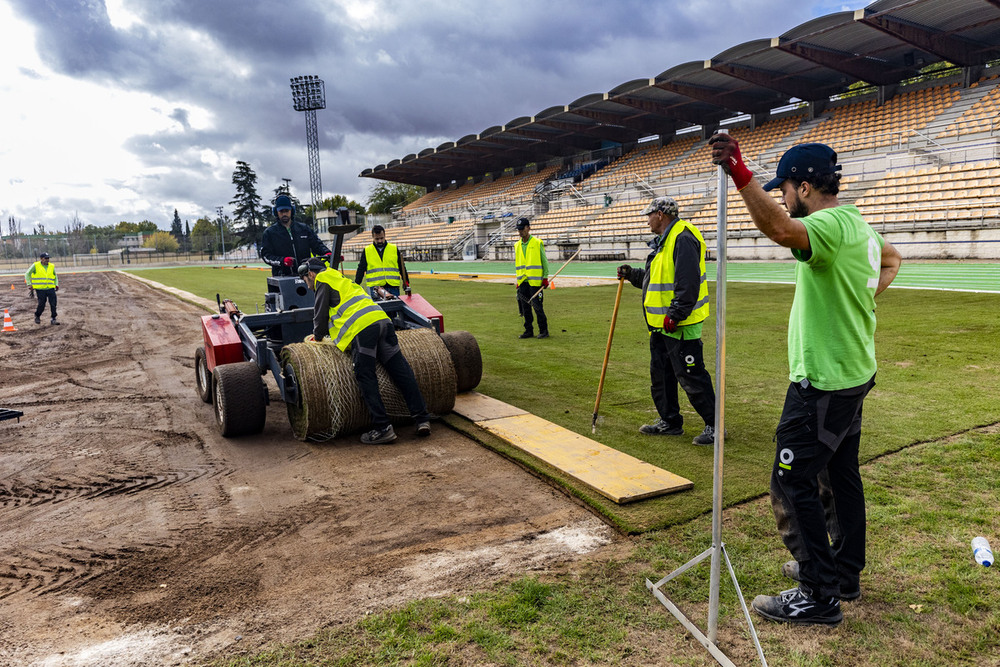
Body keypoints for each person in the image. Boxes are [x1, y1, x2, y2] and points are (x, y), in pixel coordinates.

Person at [710, 135, 901, 626]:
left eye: (787, 187)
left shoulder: (830, 223)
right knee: (840, 476)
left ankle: (818, 592)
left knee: (792, 479)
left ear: (807, 187)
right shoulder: (859, 225)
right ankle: (843, 573)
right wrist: (860, 300)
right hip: (854, 373)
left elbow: (779, 229)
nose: (785, 195)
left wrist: (740, 173)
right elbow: (893, 259)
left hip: (823, 381)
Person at [617, 196, 718, 445]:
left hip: (680, 324)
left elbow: (688, 283)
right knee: (661, 375)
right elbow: (655, 281)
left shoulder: (683, 237)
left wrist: (675, 315)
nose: (647, 220)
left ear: (660, 214)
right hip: (661, 325)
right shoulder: (664, 241)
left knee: (691, 376)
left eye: (649, 215)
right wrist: (632, 275)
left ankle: (716, 425)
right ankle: (670, 421)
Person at [298, 257, 431, 444]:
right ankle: (422, 418)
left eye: (305, 280)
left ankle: (383, 428)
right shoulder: (339, 277)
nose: (307, 284)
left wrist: (317, 337)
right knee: (401, 371)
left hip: (363, 329)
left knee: (365, 376)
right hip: (382, 321)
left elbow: (319, 315)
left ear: (310, 274)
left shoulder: (322, 279)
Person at [260, 194, 332, 276]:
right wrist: (282, 261)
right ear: (276, 212)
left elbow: (317, 245)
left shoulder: (304, 229)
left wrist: (327, 253)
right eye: (281, 211)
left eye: (286, 211)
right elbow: (266, 256)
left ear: (292, 210)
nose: (284, 214)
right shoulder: (270, 233)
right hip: (282, 277)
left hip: (306, 275)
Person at [513, 217, 549, 339]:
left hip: (535, 282)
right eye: (518, 230)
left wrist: (545, 278)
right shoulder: (516, 245)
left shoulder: (537, 242)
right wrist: (518, 281)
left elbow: (544, 262)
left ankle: (544, 330)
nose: (520, 232)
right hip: (523, 281)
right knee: (525, 308)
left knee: (538, 307)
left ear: (528, 228)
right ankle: (529, 331)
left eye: (522, 229)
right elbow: (518, 263)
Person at [354, 225, 410, 296]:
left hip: (393, 287)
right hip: (375, 288)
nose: (380, 241)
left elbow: (402, 267)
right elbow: (361, 269)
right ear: (373, 237)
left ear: (385, 236)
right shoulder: (367, 250)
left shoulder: (394, 248)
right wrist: (356, 284)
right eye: (377, 239)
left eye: (381, 238)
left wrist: (407, 282)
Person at [25, 252, 60, 325]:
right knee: (41, 304)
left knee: (53, 304)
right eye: (46, 258)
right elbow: (27, 274)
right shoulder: (35, 265)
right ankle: (37, 315)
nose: (47, 260)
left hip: (50, 288)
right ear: (41, 259)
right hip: (40, 289)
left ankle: (53, 319)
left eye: (48, 258)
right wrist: (29, 284)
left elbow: (55, 276)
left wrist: (56, 284)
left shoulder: (51, 266)